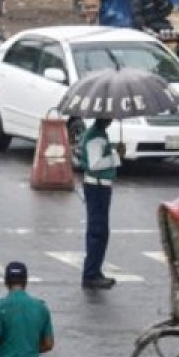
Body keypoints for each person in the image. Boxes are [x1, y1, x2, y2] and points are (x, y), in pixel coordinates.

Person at [79, 118, 123, 290]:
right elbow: (95, 164)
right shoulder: (96, 137)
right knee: (98, 231)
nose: (111, 119)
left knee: (101, 231)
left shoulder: (100, 134)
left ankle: (95, 271)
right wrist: (114, 157)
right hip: (97, 187)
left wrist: (115, 154)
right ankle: (91, 274)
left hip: (100, 186)